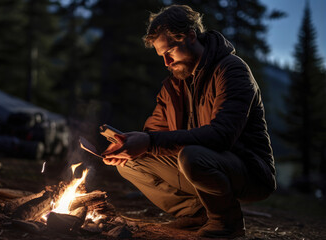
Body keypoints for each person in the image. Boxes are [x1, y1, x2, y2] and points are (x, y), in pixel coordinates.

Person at [101, 4, 276, 239]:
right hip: (198, 165)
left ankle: (226, 222)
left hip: (248, 170)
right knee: (131, 162)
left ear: (191, 37)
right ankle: (197, 214)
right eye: (161, 56)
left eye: (169, 52)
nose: (166, 62)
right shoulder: (173, 86)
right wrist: (129, 144)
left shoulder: (232, 70)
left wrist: (150, 141)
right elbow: (155, 134)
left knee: (191, 156)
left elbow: (222, 135)